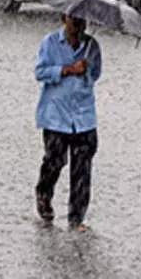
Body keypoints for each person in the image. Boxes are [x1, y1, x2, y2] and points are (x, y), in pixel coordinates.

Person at [34, 14, 102, 232]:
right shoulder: (50, 42)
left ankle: (76, 218)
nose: (79, 26)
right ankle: (44, 193)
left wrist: (85, 70)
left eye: (83, 21)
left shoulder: (92, 46)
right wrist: (66, 70)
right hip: (56, 116)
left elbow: (95, 74)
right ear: (64, 19)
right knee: (55, 160)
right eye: (74, 21)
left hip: (83, 117)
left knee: (82, 168)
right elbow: (40, 71)